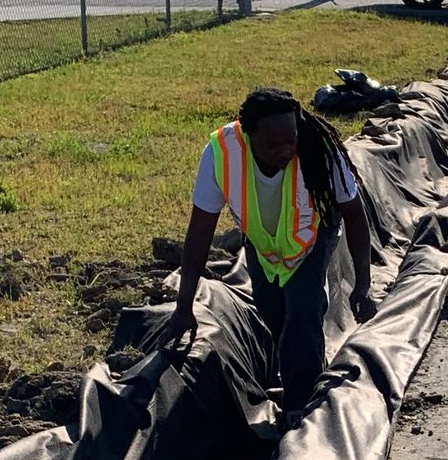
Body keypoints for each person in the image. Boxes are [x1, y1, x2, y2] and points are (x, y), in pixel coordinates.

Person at [160, 86, 377, 412]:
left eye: (290, 140)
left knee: (302, 315)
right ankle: (292, 373)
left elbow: (355, 214)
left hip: (312, 236)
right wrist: (184, 306)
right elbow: (200, 233)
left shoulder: (319, 148)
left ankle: (300, 410)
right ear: (249, 137)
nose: (285, 151)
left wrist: (362, 284)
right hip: (264, 245)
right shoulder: (222, 153)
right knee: (272, 312)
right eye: (272, 144)